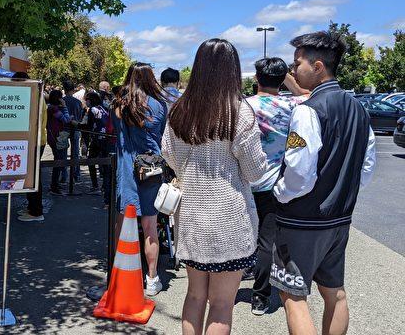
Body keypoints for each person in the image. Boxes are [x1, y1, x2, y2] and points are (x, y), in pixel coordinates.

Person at [271, 31, 376, 335]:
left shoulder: (308, 110)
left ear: (317, 66)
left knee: (293, 295)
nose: (293, 70)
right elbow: (365, 166)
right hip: (339, 217)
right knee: (335, 293)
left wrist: (280, 193)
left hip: (302, 219)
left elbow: (299, 173)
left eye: (297, 63)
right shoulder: (358, 108)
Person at [161, 39, 267, 335]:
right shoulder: (239, 112)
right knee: (221, 304)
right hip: (230, 220)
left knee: (194, 295)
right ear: (232, 70)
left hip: (192, 216)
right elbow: (256, 172)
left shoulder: (180, 110)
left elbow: (168, 154)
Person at [244, 57, 310, 315]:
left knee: (243, 238)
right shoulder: (295, 104)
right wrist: (289, 81)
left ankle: (227, 285)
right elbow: (308, 93)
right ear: (281, 79)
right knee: (266, 242)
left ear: (256, 79)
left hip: (245, 182)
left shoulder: (243, 106)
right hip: (274, 183)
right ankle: (260, 298)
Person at [112, 62, 167, 297]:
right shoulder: (159, 105)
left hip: (126, 168)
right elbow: (161, 134)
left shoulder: (119, 105)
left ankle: (121, 273)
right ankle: (152, 279)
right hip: (151, 169)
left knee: (122, 223)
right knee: (150, 227)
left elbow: (115, 130)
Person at [15, 72, 48, 222]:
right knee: (31, 176)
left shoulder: (31, 95)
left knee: (33, 177)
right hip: (35, 140)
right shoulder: (35, 93)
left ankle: (36, 211)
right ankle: (32, 207)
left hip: (33, 141)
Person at [82, 91, 113, 206]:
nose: (86, 101)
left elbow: (89, 126)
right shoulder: (105, 108)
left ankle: (95, 185)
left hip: (96, 139)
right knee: (105, 164)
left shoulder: (92, 110)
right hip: (106, 139)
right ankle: (105, 186)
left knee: (91, 161)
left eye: (87, 99)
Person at [47, 89, 72, 196]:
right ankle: (54, 186)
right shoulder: (54, 109)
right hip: (56, 137)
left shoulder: (50, 108)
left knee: (58, 159)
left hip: (53, 136)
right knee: (58, 161)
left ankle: (55, 184)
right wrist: (65, 107)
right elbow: (65, 119)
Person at [60, 80, 83, 184]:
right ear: (73, 89)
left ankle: (64, 176)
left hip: (64, 129)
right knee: (75, 153)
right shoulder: (78, 102)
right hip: (75, 128)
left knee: (63, 154)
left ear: (64, 89)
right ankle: (76, 175)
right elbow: (79, 117)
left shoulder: (61, 101)